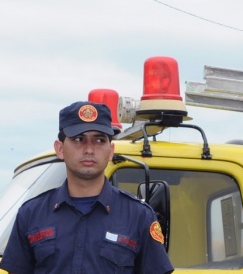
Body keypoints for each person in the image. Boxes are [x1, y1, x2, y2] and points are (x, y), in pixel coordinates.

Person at [0, 101, 174, 274]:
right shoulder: (31, 214)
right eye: (78, 139)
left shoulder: (138, 216)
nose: (89, 149)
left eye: (99, 140)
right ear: (60, 149)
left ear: (111, 151)